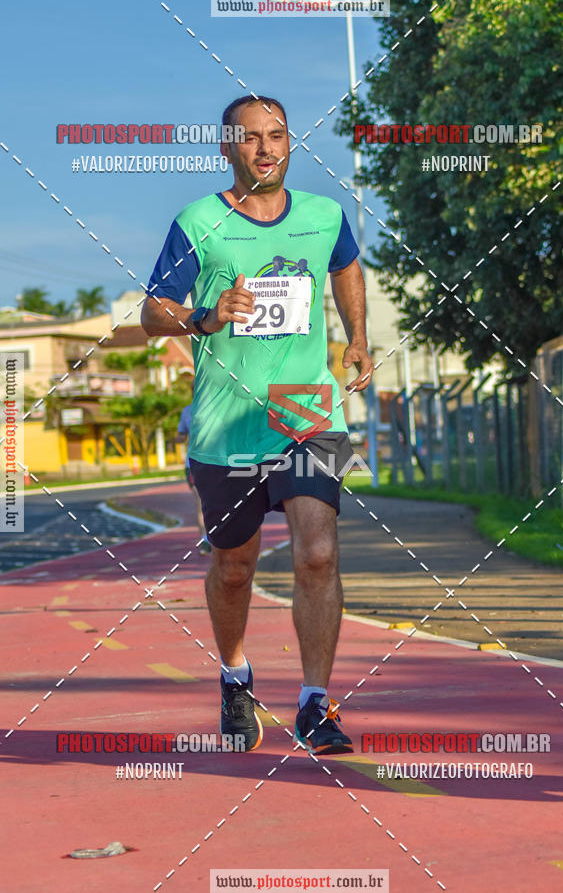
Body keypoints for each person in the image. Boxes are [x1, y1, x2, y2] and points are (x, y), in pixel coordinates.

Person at [141, 94, 373, 755]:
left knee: (318, 553)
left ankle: (314, 704)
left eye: (277, 135)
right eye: (251, 137)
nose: (266, 148)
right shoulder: (199, 221)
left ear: (290, 143)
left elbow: (345, 265)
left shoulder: (325, 215)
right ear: (227, 147)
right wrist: (206, 316)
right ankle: (235, 675)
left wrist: (358, 335)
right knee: (235, 566)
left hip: (307, 407)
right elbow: (154, 310)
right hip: (227, 419)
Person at [176, 400, 212, 555]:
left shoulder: (218, 406)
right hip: (193, 465)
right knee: (201, 502)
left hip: (217, 463)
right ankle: (205, 540)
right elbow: (181, 435)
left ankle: (220, 537)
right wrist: (177, 439)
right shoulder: (187, 411)